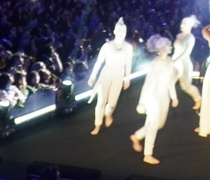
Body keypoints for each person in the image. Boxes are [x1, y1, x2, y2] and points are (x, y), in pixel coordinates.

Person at [130, 35, 178, 165]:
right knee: (154, 124)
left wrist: (173, 96)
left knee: (159, 124)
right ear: (161, 48)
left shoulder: (170, 60)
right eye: (168, 44)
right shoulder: (155, 63)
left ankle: (137, 136)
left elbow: (170, 81)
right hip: (153, 96)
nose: (171, 46)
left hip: (164, 96)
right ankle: (148, 154)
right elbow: (147, 82)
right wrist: (141, 102)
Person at [86, 17, 132, 134]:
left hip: (118, 76)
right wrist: (92, 76)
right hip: (106, 75)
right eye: (119, 30)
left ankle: (108, 114)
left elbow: (128, 63)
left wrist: (127, 79)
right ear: (115, 31)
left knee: (111, 103)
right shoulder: (107, 46)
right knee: (101, 101)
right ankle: (97, 124)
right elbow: (99, 62)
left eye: (124, 31)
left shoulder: (128, 47)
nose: (121, 33)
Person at [172, 14, 201, 110]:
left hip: (184, 63)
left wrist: (175, 60)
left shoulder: (190, 38)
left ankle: (198, 99)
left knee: (185, 86)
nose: (182, 25)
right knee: (170, 81)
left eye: (185, 23)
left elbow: (186, 53)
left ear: (189, 26)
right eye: (182, 23)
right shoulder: (178, 35)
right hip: (175, 62)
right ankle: (171, 99)